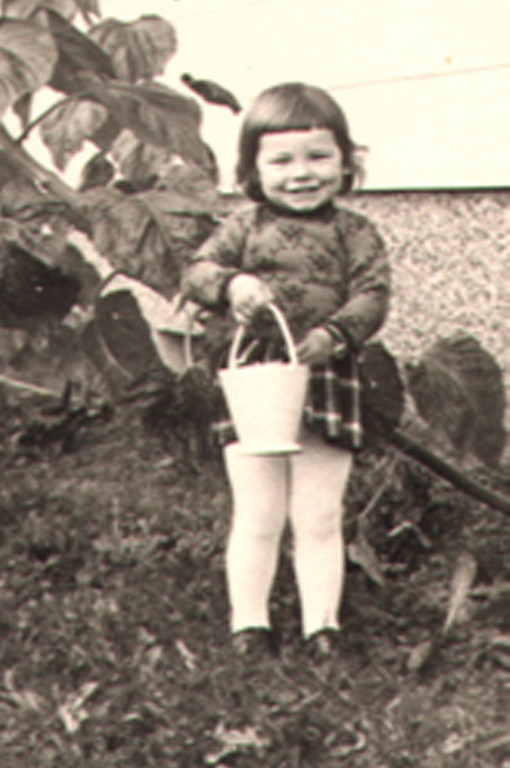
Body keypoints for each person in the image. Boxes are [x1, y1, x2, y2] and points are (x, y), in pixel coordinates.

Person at [181, 82, 391, 661]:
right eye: (281, 161)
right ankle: (249, 625)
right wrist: (233, 284)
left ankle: (322, 626)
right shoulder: (243, 228)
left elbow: (373, 294)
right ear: (253, 169)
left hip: (326, 378)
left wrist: (334, 335)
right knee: (258, 510)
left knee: (319, 513)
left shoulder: (355, 232)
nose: (301, 173)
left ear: (346, 161)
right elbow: (196, 271)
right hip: (254, 379)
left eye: (318, 156)